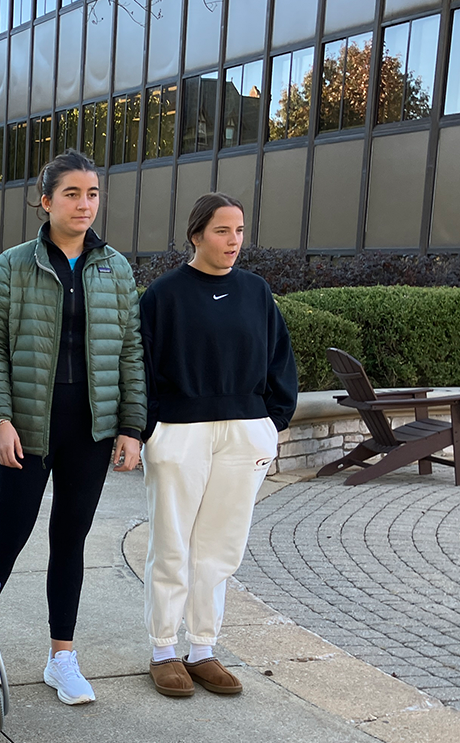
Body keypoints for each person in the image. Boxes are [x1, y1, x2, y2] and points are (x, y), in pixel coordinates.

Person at [0, 149, 146, 705]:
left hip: (89, 431)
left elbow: (131, 354)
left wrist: (131, 427)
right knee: (7, 538)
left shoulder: (114, 268)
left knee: (70, 542)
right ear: (45, 201)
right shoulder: (11, 266)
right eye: (71, 194)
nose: (84, 204)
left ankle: (62, 658)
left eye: (92, 194)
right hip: (26, 427)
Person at [139, 193, 297, 698]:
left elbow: (280, 361)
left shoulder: (255, 291)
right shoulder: (163, 295)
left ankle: (202, 648)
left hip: (244, 431)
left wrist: (270, 424)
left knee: (220, 547)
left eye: (240, 231)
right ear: (196, 235)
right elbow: (140, 368)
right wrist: (150, 429)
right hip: (180, 432)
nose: (233, 241)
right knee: (172, 543)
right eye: (222, 231)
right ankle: (164, 649)